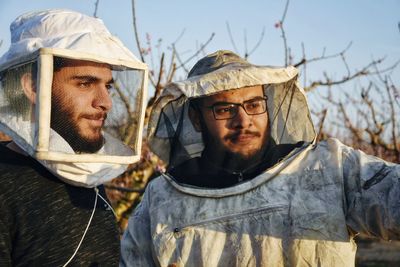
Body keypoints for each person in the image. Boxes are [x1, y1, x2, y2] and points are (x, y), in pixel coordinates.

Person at [120, 50, 400, 266]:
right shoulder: (160, 201)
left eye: (254, 105)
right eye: (225, 109)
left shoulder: (331, 168)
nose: (243, 121)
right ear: (195, 117)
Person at [0, 9, 147, 266]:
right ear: (32, 87)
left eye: (108, 86)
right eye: (85, 83)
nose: (105, 102)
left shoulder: (83, 171)